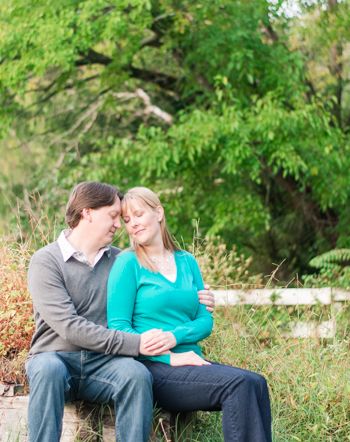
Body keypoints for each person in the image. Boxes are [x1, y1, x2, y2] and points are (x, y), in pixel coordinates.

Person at [26, 182, 216, 442]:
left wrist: (199, 297)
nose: (120, 225)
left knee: (136, 375)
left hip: (103, 362)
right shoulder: (46, 260)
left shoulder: (121, 260)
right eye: (114, 216)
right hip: (56, 358)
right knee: (47, 370)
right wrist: (138, 344)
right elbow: (69, 327)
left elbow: (165, 289)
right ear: (88, 213)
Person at [107, 187, 272, 442]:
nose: (133, 224)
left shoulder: (187, 261)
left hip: (191, 361)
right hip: (154, 368)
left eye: (139, 214)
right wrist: (168, 354)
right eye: (127, 220)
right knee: (237, 384)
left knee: (257, 383)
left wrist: (175, 336)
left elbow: (205, 321)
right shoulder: (128, 263)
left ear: (159, 213)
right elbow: (118, 328)